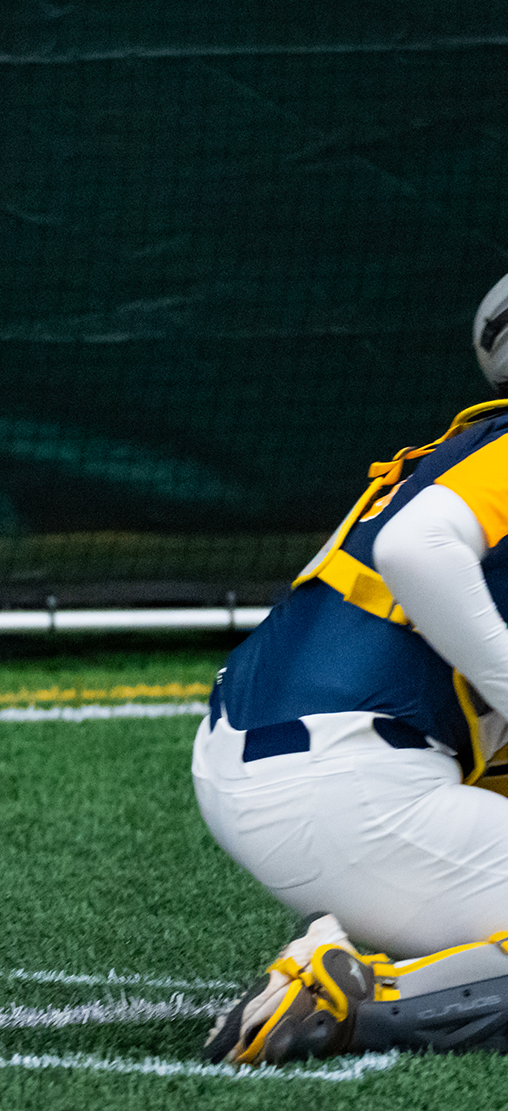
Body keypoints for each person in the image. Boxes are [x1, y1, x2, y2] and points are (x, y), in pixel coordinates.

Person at [198, 272, 508, 1062]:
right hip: (351, 786)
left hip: (284, 763)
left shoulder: (468, 446)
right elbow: (417, 549)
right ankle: (345, 998)